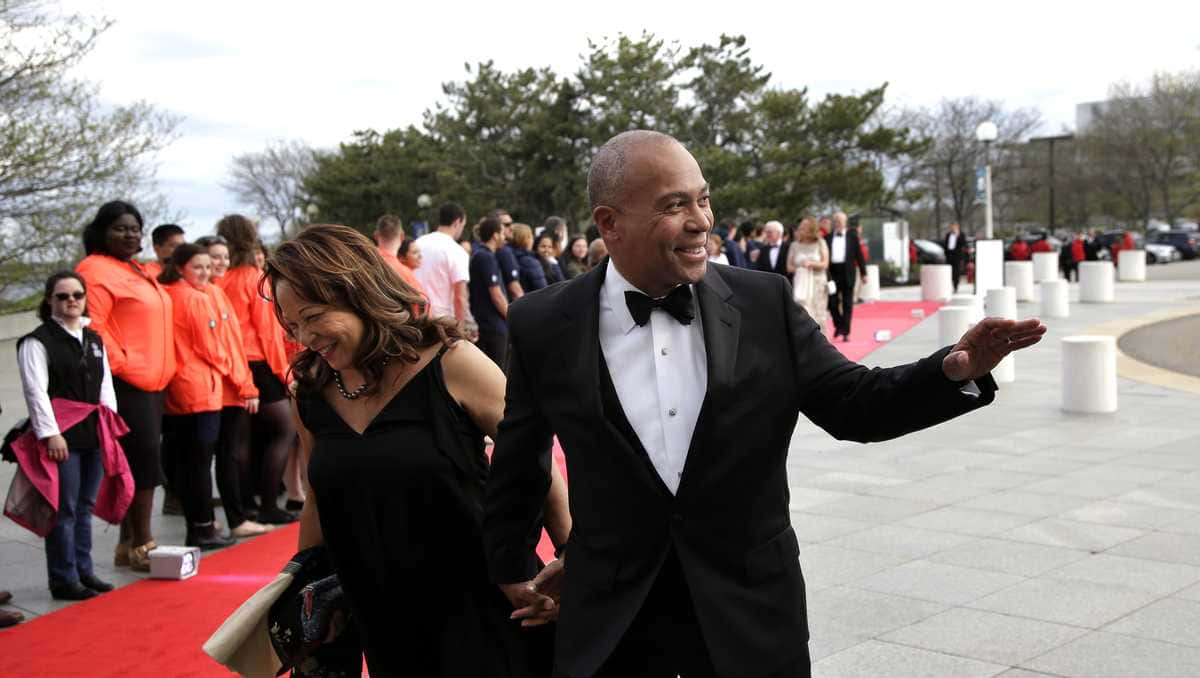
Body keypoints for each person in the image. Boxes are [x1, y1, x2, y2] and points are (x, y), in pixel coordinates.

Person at [483, 130, 1047, 678]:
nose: (702, 220)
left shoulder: (764, 304)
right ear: (610, 222)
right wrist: (511, 567)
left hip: (749, 617)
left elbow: (856, 405)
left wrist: (951, 372)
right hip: (610, 624)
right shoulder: (543, 322)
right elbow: (519, 459)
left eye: (703, 198)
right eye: (674, 204)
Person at [268, 224, 570, 676]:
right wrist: (304, 586)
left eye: (313, 317)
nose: (305, 337)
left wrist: (572, 555)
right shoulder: (310, 390)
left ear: (358, 293)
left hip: (486, 599)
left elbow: (531, 461)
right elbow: (318, 494)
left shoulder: (452, 361)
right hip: (383, 612)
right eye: (292, 325)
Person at [76, 200, 175, 572]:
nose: (130, 234)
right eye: (120, 227)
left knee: (141, 459)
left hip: (154, 382)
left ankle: (126, 544)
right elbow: (93, 326)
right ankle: (143, 543)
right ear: (102, 231)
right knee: (143, 461)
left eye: (135, 228)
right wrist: (126, 364)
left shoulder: (134, 269)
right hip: (126, 382)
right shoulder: (95, 270)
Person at [17, 271, 119, 598]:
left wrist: (110, 428)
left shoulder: (93, 338)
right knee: (65, 508)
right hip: (62, 437)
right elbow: (36, 392)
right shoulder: (37, 341)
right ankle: (63, 578)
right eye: (62, 296)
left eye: (77, 294)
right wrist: (50, 434)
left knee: (85, 505)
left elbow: (105, 386)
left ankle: (84, 571)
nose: (71, 301)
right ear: (49, 301)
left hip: (93, 433)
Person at [215, 214, 297, 525]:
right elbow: (268, 332)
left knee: (242, 439)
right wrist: (284, 373)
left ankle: (249, 502)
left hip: (235, 363)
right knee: (285, 431)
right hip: (259, 362)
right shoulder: (253, 278)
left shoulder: (222, 279)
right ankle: (268, 504)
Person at [158, 244, 237, 550]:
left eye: (208, 266)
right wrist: (230, 367)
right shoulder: (195, 298)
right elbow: (211, 346)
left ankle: (200, 525)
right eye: (198, 267)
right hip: (200, 389)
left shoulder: (169, 294)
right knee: (200, 464)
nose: (206, 272)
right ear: (181, 268)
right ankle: (203, 527)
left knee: (188, 462)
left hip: (178, 387)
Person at [196, 236, 270, 538]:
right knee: (219, 456)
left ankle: (233, 517)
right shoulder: (201, 295)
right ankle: (224, 520)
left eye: (225, 257)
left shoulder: (216, 291)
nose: (221, 263)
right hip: (217, 388)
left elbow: (233, 345)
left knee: (227, 454)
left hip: (228, 384)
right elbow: (217, 348)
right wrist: (245, 385)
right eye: (214, 258)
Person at [413, 203, 471, 322]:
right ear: (457, 222)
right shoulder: (457, 251)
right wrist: (460, 329)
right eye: (463, 225)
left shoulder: (418, 243)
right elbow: (460, 296)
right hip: (442, 320)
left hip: (415, 315)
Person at [470, 217, 511, 368]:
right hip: (492, 326)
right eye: (502, 232)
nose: (505, 236)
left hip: (489, 323)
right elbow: (496, 294)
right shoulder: (485, 256)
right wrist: (512, 317)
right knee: (499, 372)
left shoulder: (484, 255)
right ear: (495, 235)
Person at [825, 211, 867, 342]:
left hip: (847, 271)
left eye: (840, 221)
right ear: (833, 222)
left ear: (845, 223)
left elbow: (859, 256)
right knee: (832, 302)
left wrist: (863, 273)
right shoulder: (827, 237)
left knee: (848, 303)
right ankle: (839, 325)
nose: (838, 223)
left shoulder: (852, 236)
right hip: (832, 272)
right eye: (836, 220)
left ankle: (846, 331)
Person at [786, 217, 831, 337]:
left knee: (819, 313)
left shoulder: (821, 243)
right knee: (804, 313)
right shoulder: (794, 245)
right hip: (801, 284)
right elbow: (789, 267)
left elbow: (825, 264)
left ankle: (823, 343)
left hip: (818, 282)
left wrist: (811, 264)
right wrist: (801, 268)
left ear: (812, 229)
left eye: (804, 227)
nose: (801, 229)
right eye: (800, 227)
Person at [374, 213, 427, 302]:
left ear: (376, 235)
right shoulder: (405, 274)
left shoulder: (362, 263)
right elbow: (423, 307)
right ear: (402, 236)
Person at [492, 209, 525, 301]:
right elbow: (514, 288)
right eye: (506, 225)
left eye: (511, 223)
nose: (511, 228)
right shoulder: (503, 250)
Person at [512, 224, 548, 293]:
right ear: (525, 239)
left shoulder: (508, 256)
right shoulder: (529, 262)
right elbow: (543, 289)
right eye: (531, 236)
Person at [943, 222, 968, 292]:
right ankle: (949, 285)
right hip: (949, 256)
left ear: (957, 226)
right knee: (949, 271)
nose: (952, 228)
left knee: (956, 272)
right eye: (951, 226)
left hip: (957, 256)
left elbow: (963, 244)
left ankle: (955, 286)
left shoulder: (961, 235)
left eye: (954, 226)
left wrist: (958, 236)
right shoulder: (948, 235)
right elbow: (945, 245)